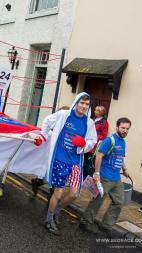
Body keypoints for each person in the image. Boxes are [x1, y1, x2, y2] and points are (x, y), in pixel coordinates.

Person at [35, 92, 97, 235]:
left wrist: (84, 144)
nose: (83, 106)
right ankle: (49, 220)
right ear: (76, 102)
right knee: (58, 192)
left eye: (87, 104)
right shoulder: (64, 114)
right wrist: (43, 136)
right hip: (59, 159)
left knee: (75, 194)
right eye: (81, 103)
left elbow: (93, 141)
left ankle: (57, 209)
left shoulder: (89, 123)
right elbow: (47, 121)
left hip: (75, 162)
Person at [80, 117, 131, 234]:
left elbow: (120, 157)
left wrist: (125, 169)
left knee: (119, 202)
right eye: (123, 128)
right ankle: (85, 223)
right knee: (97, 201)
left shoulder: (123, 142)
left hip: (116, 178)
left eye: (127, 128)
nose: (125, 130)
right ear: (117, 127)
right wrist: (97, 173)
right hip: (104, 177)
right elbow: (99, 156)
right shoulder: (109, 140)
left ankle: (106, 225)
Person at [83, 105, 109, 179]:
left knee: (90, 164)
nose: (95, 112)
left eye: (97, 110)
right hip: (88, 143)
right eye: (95, 110)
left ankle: (90, 180)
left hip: (95, 146)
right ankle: (82, 178)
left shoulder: (104, 122)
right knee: (84, 162)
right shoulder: (93, 119)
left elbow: (104, 135)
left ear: (101, 112)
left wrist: (95, 137)